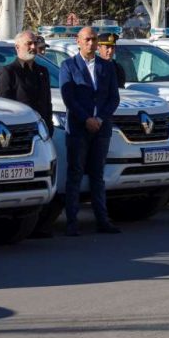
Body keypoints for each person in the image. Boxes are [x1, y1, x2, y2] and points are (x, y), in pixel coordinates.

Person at [59, 27, 121, 236]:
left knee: (98, 175)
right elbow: (69, 98)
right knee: (75, 174)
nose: (91, 43)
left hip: (101, 129)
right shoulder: (68, 66)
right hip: (78, 128)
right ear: (78, 41)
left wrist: (100, 119)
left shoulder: (107, 66)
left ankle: (102, 220)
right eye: (87, 39)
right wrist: (86, 119)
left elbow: (114, 98)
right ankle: (72, 222)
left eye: (94, 40)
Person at [0, 31, 59, 238]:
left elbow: (47, 103)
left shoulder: (42, 71)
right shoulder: (8, 72)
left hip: (40, 135)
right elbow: (3, 108)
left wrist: (48, 127)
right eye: (28, 44)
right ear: (17, 47)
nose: (33, 47)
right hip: (18, 139)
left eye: (35, 43)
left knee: (42, 177)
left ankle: (40, 225)